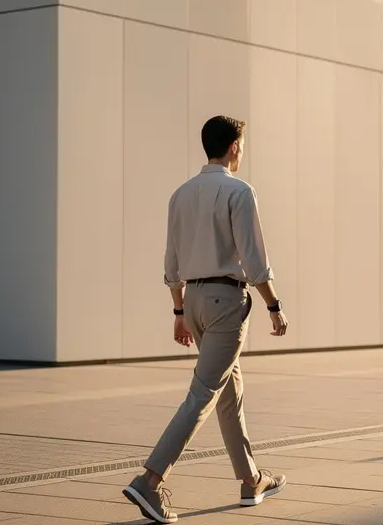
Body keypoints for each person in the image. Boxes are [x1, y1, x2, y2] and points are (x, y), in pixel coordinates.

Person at [123, 115, 289, 523]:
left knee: (227, 389)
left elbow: (171, 259)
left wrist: (179, 311)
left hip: (193, 300)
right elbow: (255, 260)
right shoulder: (239, 191)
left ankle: (251, 481)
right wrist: (273, 305)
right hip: (226, 301)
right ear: (234, 146)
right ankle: (150, 479)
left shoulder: (181, 194)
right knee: (203, 394)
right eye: (243, 143)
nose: (243, 150)